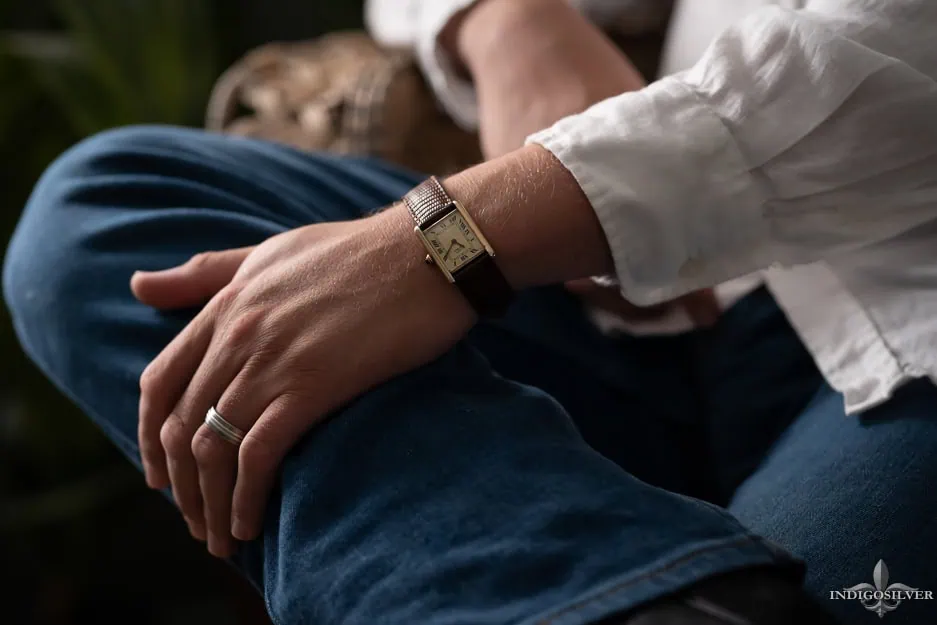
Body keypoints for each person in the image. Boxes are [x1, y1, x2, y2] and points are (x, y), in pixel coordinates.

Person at [4, 0, 937, 622]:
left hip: (907, 330)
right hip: (608, 298)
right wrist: (503, 20)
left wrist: (442, 241)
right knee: (108, 211)